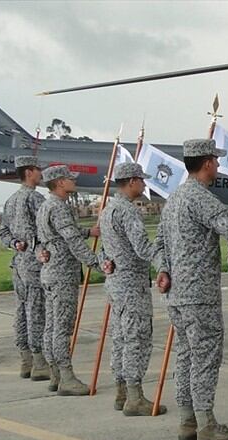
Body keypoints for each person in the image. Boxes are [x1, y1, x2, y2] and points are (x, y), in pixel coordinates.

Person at [156, 138, 228, 440]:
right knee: (205, 358)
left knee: (186, 356)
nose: (217, 165)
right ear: (207, 163)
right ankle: (207, 423)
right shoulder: (199, 196)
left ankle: (188, 420)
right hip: (198, 293)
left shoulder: (174, 198)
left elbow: (159, 242)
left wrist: (162, 269)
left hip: (176, 294)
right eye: (215, 160)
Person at [99, 161, 166, 416]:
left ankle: (122, 392)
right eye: (141, 180)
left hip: (116, 284)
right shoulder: (127, 211)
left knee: (120, 338)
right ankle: (135, 396)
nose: (144, 184)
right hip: (131, 284)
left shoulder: (108, 210)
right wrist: (163, 262)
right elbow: (142, 248)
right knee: (136, 338)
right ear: (131, 182)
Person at [36, 165, 103, 396]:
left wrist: (89, 232)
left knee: (52, 326)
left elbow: (55, 235)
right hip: (62, 273)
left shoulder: (46, 206)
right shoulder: (59, 207)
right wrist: (96, 263)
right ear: (60, 183)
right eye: (69, 178)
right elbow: (72, 241)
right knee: (62, 327)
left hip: (49, 272)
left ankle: (55, 374)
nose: (73, 181)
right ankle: (66, 376)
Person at [0, 156, 50, 381]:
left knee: (21, 312)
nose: (41, 173)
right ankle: (39, 362)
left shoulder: (11, 201)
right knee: (36, 311)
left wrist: (14, 244)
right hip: (35, 264)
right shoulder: (35, 198)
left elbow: (3, 233)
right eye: (38, 170)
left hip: (19, 264)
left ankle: (25, 360)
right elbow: (50, 227)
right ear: (29, 172)